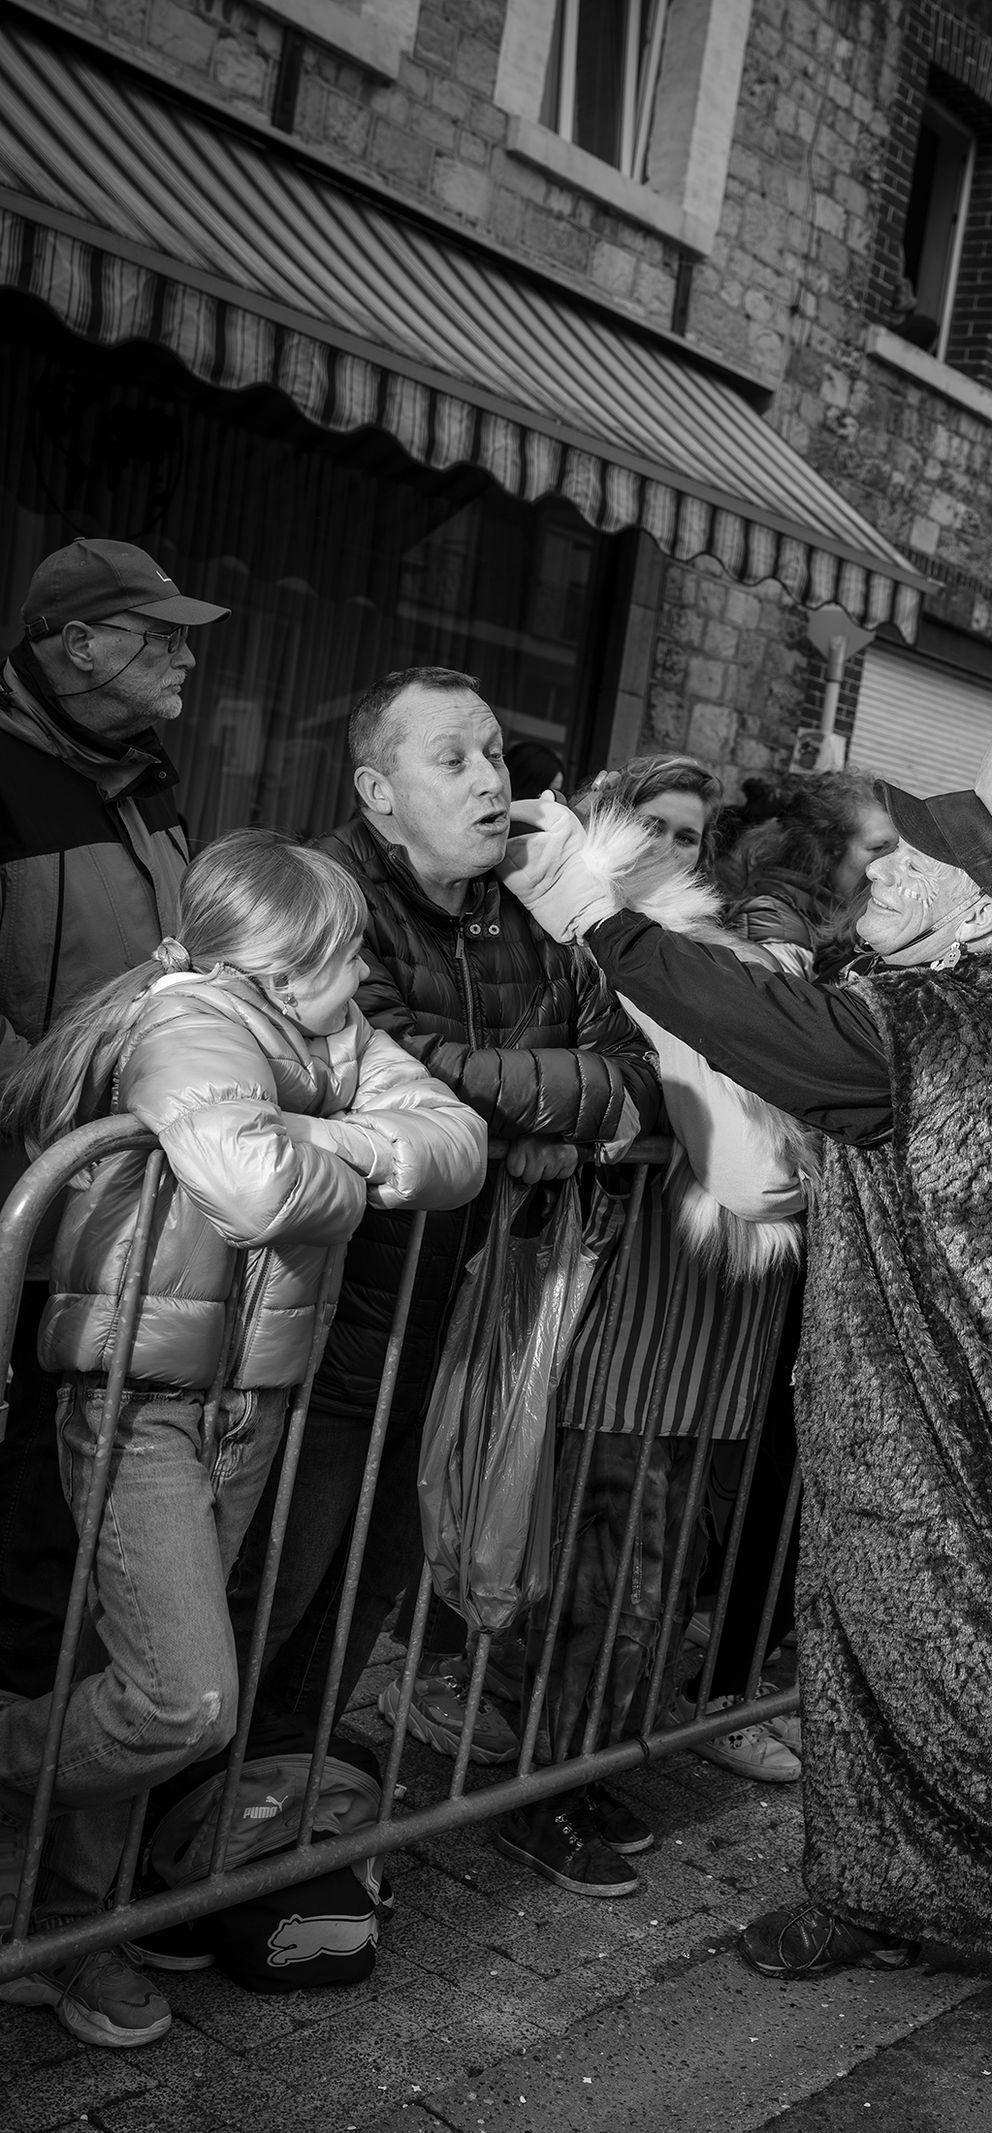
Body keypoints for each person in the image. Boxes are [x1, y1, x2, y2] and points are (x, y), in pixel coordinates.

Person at [498, 624, 992, 2088]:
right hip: (882, 1404)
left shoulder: (942, 1026)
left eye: (918, 867)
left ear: (989, 914)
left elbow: (770, 1030)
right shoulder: (954, 995)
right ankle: (876, 1888)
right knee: (855, 1651)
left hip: (964, 1425)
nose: (884, 877)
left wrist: (600, 915)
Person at [0, 831, 484, 2050]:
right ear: (280, 961)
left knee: (143, 1671)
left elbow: (456, 1142)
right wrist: (362, 1153)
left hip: (247, 1400)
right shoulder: (194, 1019)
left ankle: (63, 1934)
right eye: (348, 947)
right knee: (184, 1696)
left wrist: (339, 1141)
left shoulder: (326, 1041)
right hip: (139, 1402)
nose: (367, 966)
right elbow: (252, 1187)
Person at [232, 669, 658, 1750]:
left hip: (470, 1308)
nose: (489, 783)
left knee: (373, 1580)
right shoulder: (325, 895)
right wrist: (544, 1115)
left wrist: (502, 1103)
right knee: (273, 1569)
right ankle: (175, 1822)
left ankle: (283, 1791)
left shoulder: (532, 899)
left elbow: (629, 1065)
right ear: (379, 790)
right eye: (453, 760)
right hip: (331, 1314)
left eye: (497, 757)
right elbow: (389, 1064)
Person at [489, 755, 810, 1897]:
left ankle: (584, 1758)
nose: (673, 851)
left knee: (663, 1566)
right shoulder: (574, 940)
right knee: (605, 1554)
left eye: (692, 835)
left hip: (717, 1317)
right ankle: (541, 1788)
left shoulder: (722, 956)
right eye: (655, 827)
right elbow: (558, 1079)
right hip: (630, 1312)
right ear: (609, 825)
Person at [0, 540, 228, 1710]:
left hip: (99, 1221)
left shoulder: (145, 775)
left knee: (43, 1545)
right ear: (74, 645)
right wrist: (73, 1089)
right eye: (159, 632)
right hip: (21, 1200)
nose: (185, 653)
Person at [714, 771, 898, 951]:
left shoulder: (841, 921)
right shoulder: (777, 927)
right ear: (826, 850)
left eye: (896, 850)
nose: (891, 864)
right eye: (879, 848)